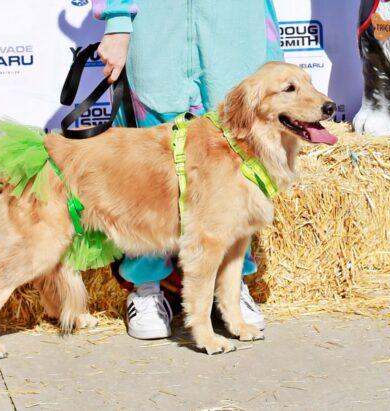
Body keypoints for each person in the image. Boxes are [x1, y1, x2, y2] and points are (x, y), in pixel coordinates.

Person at [93, 0, 284, 339]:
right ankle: (146, 284)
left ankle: (230, 287)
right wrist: (117, 20)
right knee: (149, 164)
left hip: (235, 27)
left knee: (238, 160)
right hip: (156, 26)